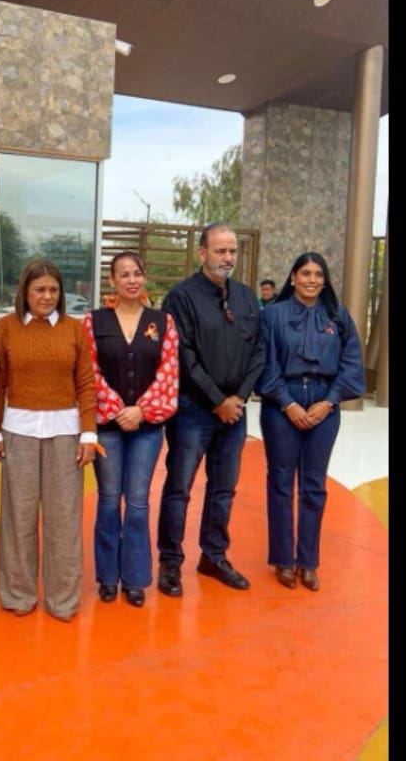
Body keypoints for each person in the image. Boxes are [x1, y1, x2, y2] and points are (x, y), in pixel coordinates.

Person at [157, 222, 265, 595]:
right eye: (220, 251)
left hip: (235, 412)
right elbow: (183, 354)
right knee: (179, 488)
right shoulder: (181, 297)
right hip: (193, 410)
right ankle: (170, 562)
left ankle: (214, 556)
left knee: (224, 488)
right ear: (202, 253)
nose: (228, 258)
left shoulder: (247, 298)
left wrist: (239, 398)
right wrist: (217, 400)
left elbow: (260, 350)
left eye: (232, 251)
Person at [0, 260, 98, 622]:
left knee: (64, 519)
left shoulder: (73, 329)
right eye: (39, 290)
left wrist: (88, 432)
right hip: (18, 432)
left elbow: (86, 383)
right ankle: (18, 594)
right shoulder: (7, 327)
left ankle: (63, 599)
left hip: (65, 434)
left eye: (53, 290)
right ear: (25, 292)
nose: (47, 296)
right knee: (17, 517)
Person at [256, 252, 364, 592]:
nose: (312, 280)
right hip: (281, 401)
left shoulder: (338, 316)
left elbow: (351, 363)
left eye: (318, 274)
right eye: (305, 273)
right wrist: (287, 403)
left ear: (325, 280)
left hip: (324, 402)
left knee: (314, 484)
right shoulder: (272, 315)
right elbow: (265, 363)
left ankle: (308, 561)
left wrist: (329, 402)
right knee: (280, 482)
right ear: (293, 278)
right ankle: (283, 559)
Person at [82, 252, 179, 608]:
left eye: (137, 273)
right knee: (109, 500)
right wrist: (116, 409)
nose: (131, 280)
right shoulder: (93, 322)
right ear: (112, 281)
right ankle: (108, 577)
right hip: (107, 427)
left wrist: (141, 410)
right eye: (123, 275)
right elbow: (88, 370)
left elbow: (169, 371)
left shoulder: (162, 322)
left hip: (147, 428)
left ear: (144, 277)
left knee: (137, 502)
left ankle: (135, 578)